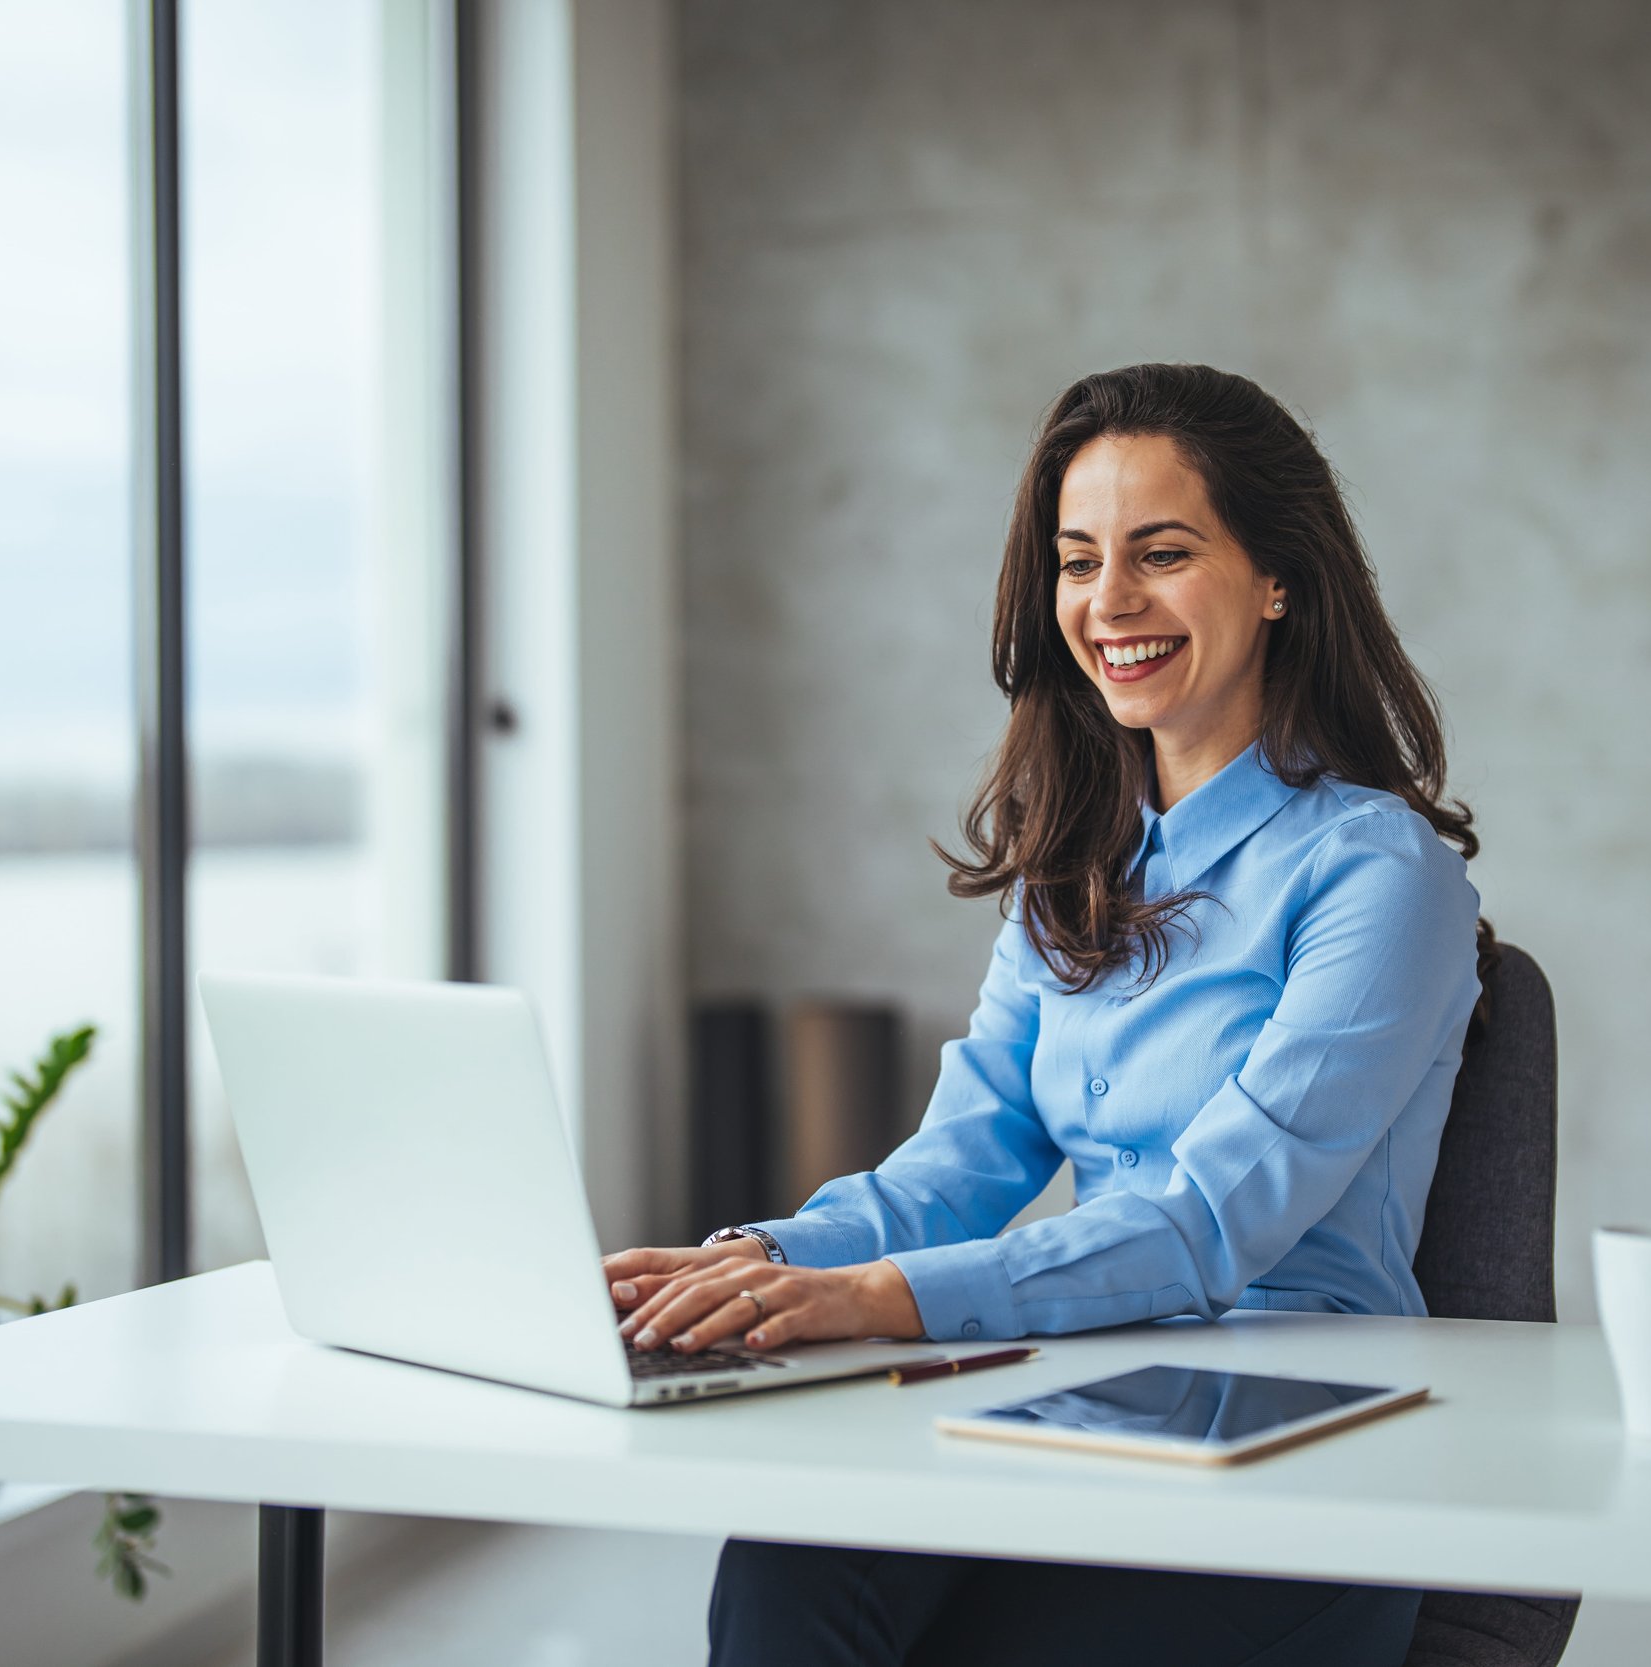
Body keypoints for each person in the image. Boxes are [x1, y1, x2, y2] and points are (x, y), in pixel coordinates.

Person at [605, 362, 1487, 1667]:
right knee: (791, 1568)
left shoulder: (1381, 874)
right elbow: (960, 1163)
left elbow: (1207, 1221)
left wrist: (888, 1300)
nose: (1109, 602)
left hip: (1300, 1449)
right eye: (1079, 561)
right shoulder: (1074, 867)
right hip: (1080, 1387)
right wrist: (764, 1267)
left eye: (1163, 552)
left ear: (1278, 578)